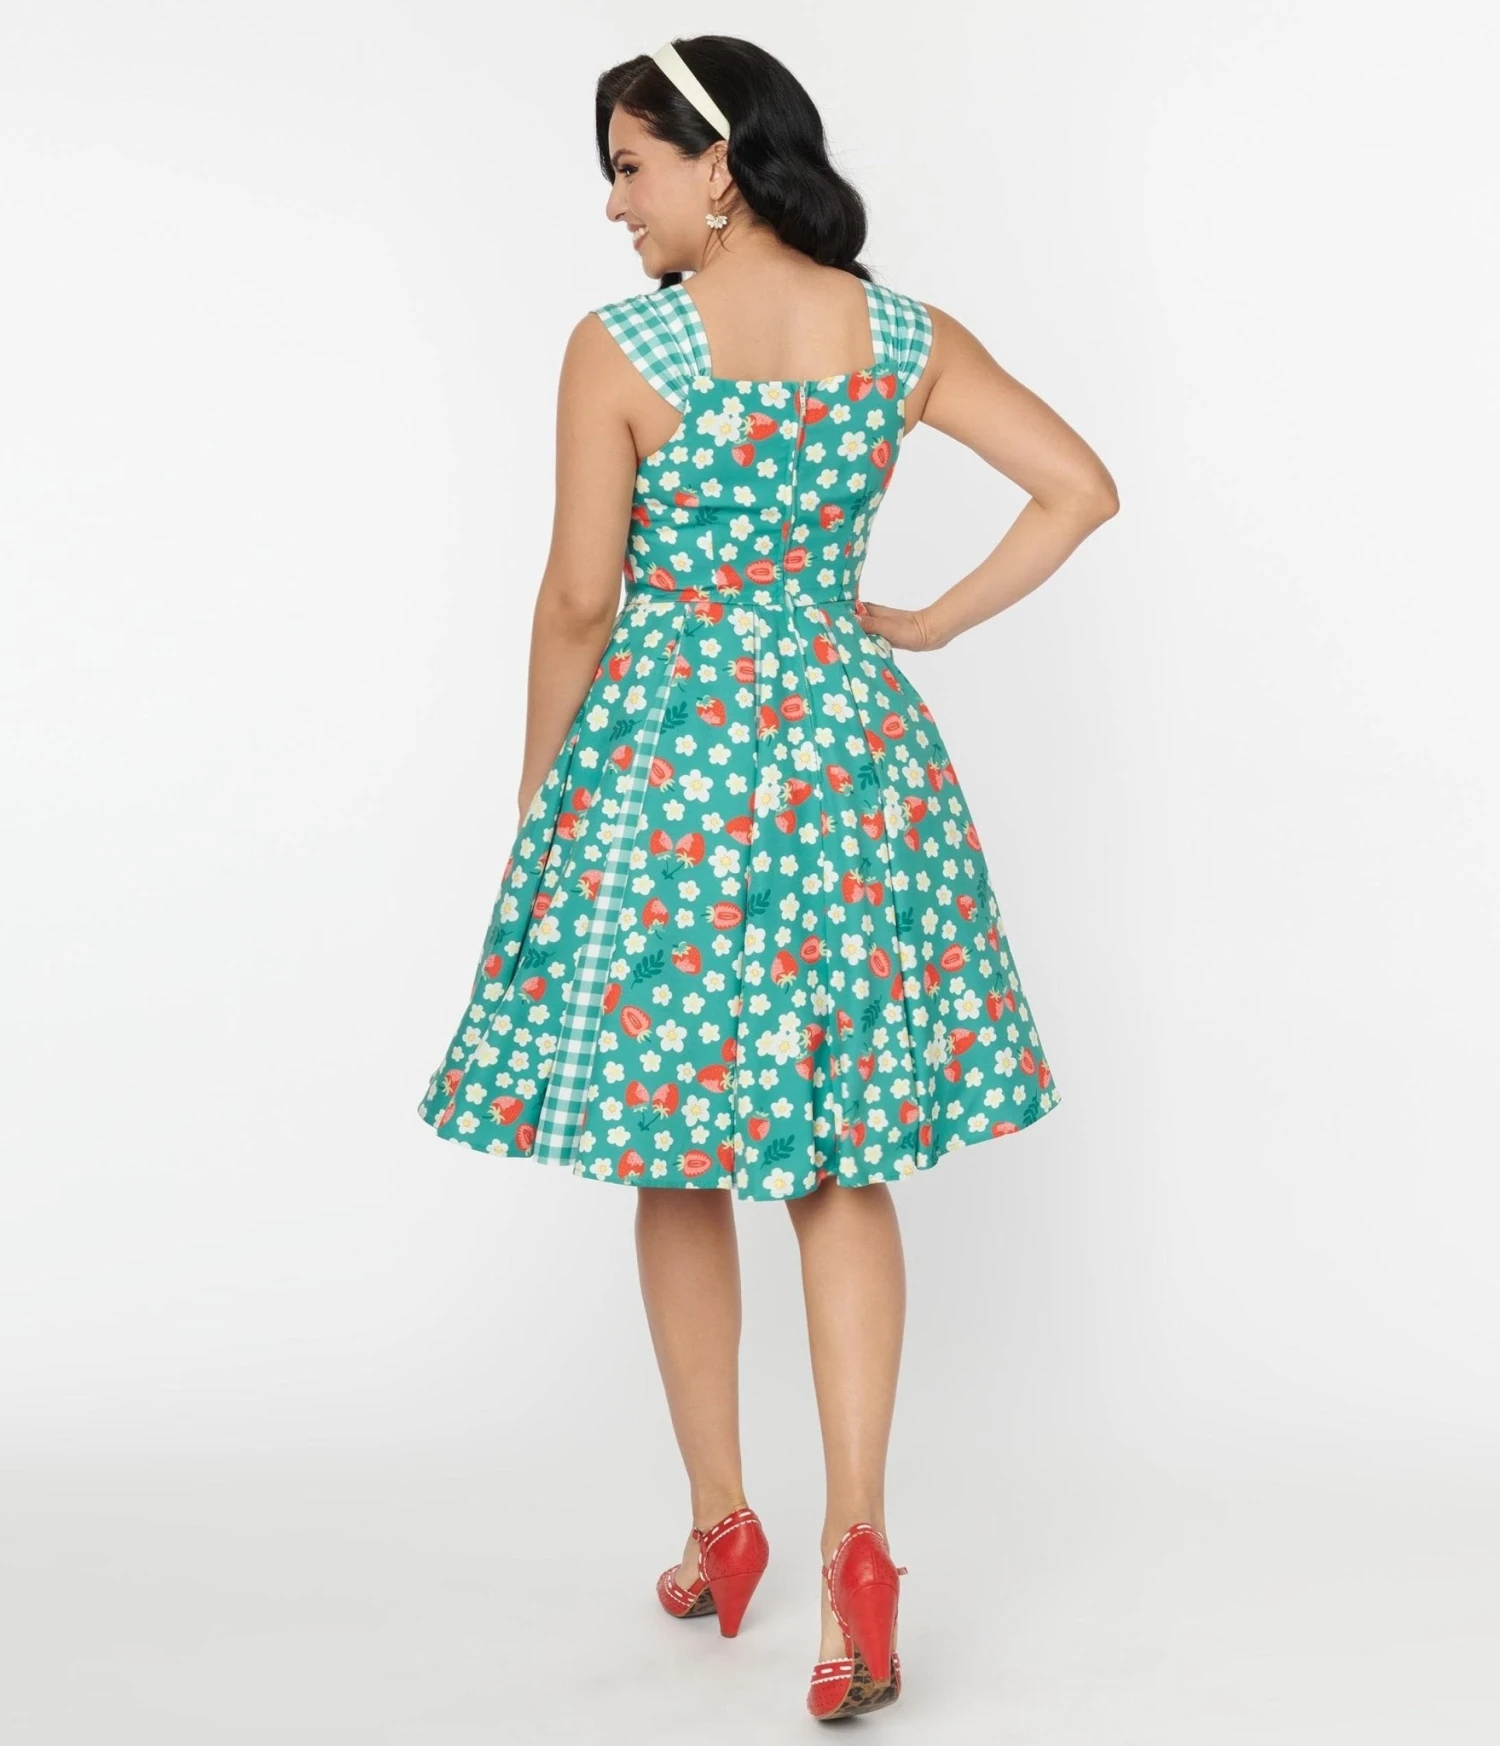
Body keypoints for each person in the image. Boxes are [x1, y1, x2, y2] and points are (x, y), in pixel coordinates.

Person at [416, 34, 1118, 1721]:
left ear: (717, 166)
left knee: (677, 1153)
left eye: (631, 166)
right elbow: (1080, 488)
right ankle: (856, 1557)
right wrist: (922, 622)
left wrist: (540, 796)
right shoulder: (899, 335)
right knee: (842, 1159)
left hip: (672, 781)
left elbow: (579, 599)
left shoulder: (624, 349)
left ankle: (721, 1526)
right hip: (850, 771)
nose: (614, 204)